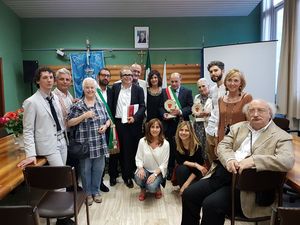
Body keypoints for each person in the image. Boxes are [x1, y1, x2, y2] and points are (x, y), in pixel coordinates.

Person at [181, 99, 295, 225]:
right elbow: (223, 146)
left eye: (261, 110)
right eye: (251, 110)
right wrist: (230, 159)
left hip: (246, 185)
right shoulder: (238, 127)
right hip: (222, 174)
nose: (255, 114)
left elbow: (287, 160)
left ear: (270, 114)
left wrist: (253, 161)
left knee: (211, 204)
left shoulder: (281, 136)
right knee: (189, 194)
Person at [17, 67, 73, 225]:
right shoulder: (31, 102)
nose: (49, 80)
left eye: (51, 77)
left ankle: (61, 215)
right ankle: (61, 219)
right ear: (37, 81)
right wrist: (30, 154)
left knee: (62, 179)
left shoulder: (54, 97)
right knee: (60, 181)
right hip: (48, 146)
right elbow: (27, 131)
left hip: (62, 141)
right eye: (45, 77)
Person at [67, 78, 111, 206]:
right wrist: (83, 116)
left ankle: (96, 191)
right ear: (83, 89)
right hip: (84, 145)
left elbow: (108, 119)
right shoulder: (78, 105)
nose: (90, 90)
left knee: (98, 169)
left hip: (99, 144)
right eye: (87, 87)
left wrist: (106, 126)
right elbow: (69, 122)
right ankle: (87, 193)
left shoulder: (100, 104)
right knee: (85, 171)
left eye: (92, 87)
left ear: (95, 89)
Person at [111, 66, 146, 188]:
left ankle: (130, 174)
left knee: (132, 150)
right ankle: (121, 176)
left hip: (133, 124)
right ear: (120, 77)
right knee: (120, 150)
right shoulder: (115, 88)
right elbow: (110, 104)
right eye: (125, 75)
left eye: (130, 75)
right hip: (118, 123)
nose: (128, 77)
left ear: (133, 77)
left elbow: (142, 107)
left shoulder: (138, 90)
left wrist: (135, 117)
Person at [159, 72, 193, 180]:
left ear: (180, 80)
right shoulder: (164, 92)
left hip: (182, 124)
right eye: (172, 81)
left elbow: (190, 107)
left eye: (176, 81)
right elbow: (160, 107)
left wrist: (180, 112)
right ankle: (170, 169)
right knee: (170, 148)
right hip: (168, 125)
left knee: (182, 148)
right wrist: (163, 114)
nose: (174, 84)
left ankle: (182, 170)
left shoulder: (187, 91)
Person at [53, 68, 82, 191]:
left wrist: (74, 103)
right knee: (65, 165)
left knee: (74, 162)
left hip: (72, 134)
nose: (65, 82)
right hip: (60, 136)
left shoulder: (69, 95)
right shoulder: (53, 96)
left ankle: (73, 185)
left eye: (67, 80)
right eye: (62, 79)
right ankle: (68, 188)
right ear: (56, 81)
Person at [134, 118, 169, 201]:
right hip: (145, 169)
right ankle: (143, 188)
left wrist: (155, 174)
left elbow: (164, 164)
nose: (155, 129)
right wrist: (141, 168)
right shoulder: (142, 141)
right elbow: (138, 158)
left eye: (157, 127)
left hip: (158, 171)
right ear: (149, 128)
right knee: (138, 178)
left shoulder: (165, 144)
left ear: (161, 129)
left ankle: (157, 187)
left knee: (151, 187)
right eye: (152, 127)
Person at [217, 69, 252, 143]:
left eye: (236, 80)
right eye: (229, 80)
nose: (232, 83)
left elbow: (250, 123)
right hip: (223, 139)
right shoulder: (221, 99)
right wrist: (217, 141)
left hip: (240, 140)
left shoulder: (246, 98)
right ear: (225, 82)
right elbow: (220, 123)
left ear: (241, 83)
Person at [174, 121, 207, 195]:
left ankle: (188, 188)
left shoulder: (197, 146)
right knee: (180, 169)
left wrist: (186, 184)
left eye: (186, 130)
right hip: (186, 169)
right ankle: (185, 189)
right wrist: (195, 164)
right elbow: (180, 161)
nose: (183, 132)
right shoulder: (175, 142)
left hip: (196, 172)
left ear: (191, 132)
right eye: (181, 130)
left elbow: (198, 168)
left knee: (196, 191)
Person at [205, 61, 226, 165]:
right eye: (211, 71)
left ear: (222, 71)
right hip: (210, 130)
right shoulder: (212, 90)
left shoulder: (229, 88)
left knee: (222, 160)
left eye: (216, 70)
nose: (213, 73)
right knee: (211, 158)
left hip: (223, 131)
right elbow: (214, 110)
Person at [96, 68, 114, 191]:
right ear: (98, 76)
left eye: (108, 76)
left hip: (108, 127)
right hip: (95, 129)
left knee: (103, 158)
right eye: (103, 75)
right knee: (96, 157)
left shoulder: (112, 91)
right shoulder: (92, 89)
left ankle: (101, 182)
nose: (105, 78)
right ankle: (94, 183)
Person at [192, 78, 212, 164]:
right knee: (199, 146)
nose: (201, 88)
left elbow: (217, 112)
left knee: (207, 148)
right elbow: (194, 109)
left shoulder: (213, 97)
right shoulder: (197, 97)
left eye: (203, 86)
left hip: (208, 125)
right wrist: (194, 113)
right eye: (199, 87)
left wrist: (208, 113)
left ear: (208, 86)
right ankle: (200, 166)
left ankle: (208, 166)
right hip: (198, 126)